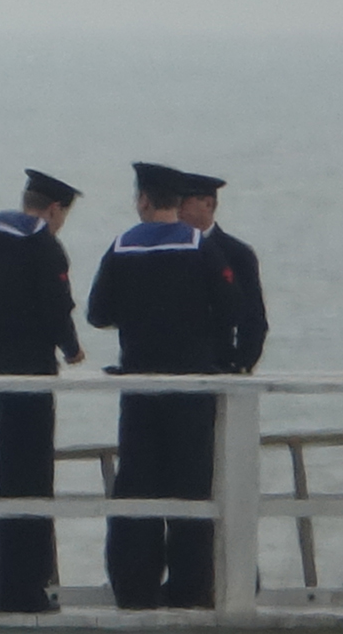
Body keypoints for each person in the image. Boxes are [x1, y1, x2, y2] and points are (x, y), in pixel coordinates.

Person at [87, 162, 240, 609]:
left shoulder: (122, 246)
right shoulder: (199, 247)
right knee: (191, 489)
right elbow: (231, 307)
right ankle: (190, 587)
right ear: (177, 202)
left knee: (137, 488)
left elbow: (98, 312)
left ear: (143, 200)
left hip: (139, 387)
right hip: (190, 387)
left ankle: (134, 586)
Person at [0, 168, 84, 613]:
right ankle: (24, 589)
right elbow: (56, 309)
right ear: (54, 209)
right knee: (29, 481)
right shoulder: (44, 244)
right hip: (29, 375)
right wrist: (71, 349)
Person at [176, 170, 267, 373]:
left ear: (208, 204)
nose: (178, 209)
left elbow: (253, 317)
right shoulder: (172, 249)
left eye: (184, 202)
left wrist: (241, 363)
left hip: (218, 363)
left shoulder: (235, 253)